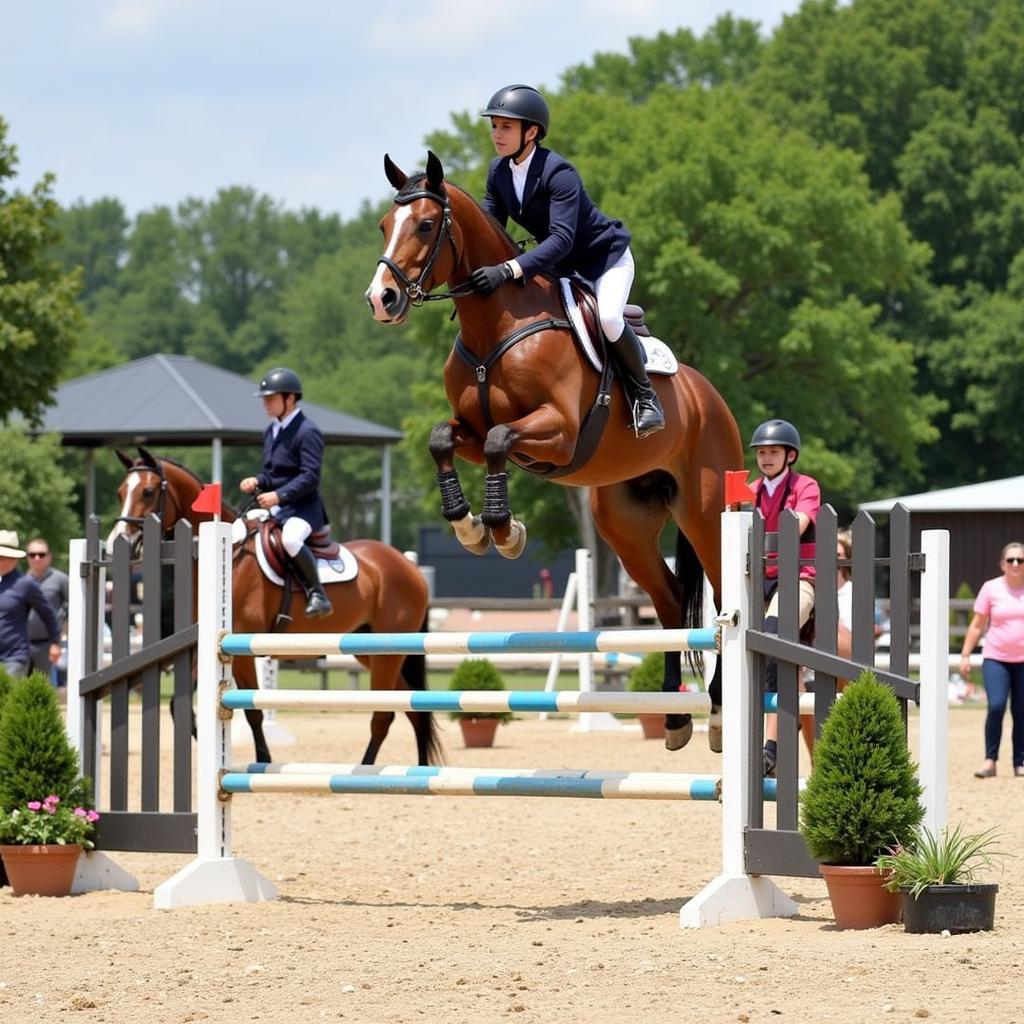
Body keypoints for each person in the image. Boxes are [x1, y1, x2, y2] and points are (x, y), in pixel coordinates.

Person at [471, 83, 665, 439]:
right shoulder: (497, 172)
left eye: (506, 127)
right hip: (560, 266)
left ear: (531, 132)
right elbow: (490, 230)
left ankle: (645, 397)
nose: (497, 134)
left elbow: (562, 238)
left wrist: (510, 269)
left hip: (604, 260)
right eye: (494, 126)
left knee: (607, 318)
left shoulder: (558, 172)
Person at [748, 420, 821, 777]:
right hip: (759, 580)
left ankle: (773, 745)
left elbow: (802, 523)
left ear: (790, 455)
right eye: (761, 452)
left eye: (773, 452)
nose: (766, 458)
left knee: (774, 632)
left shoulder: (805, 486)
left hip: (799, 578)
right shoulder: (749, 490)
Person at [239, 368, 334, 619]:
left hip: (304, 509)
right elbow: (271, 473)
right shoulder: (271, 431)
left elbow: (310, 476)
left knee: (290, 540)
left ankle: (318, 594)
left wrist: (278, 496)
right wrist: (256, 480)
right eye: (264, 400)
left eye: (270, 399)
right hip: (278, 508)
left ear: (290, 398)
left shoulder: (307, 431)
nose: (265, 405)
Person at [959, 541, 1024, 778]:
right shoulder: (991, 588)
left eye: (1020, 560)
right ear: (1002, 564)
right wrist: (965, 655)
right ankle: (990, 760)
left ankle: (1020, 761)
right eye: (1011, 560)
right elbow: (977, 625)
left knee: (1021, 710)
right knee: (996, 706)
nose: (1016, 564)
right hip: (996, 657)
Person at [0, 529, 61, 678]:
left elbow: (47, 614)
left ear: (14, 559)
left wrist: (55, 642)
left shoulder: (25, 583)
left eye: (2, 557)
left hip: (13, 658)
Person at [25, 538, 70, 687]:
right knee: (19, 688)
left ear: (49, 556)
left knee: (44, 688)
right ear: (27, 557)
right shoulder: (20, 581)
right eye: (32, 554)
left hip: (48, 644)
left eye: (41, 554)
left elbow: (71, 610)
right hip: (21, 644)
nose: (37, 558)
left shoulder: (61, 580)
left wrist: (58, 642)